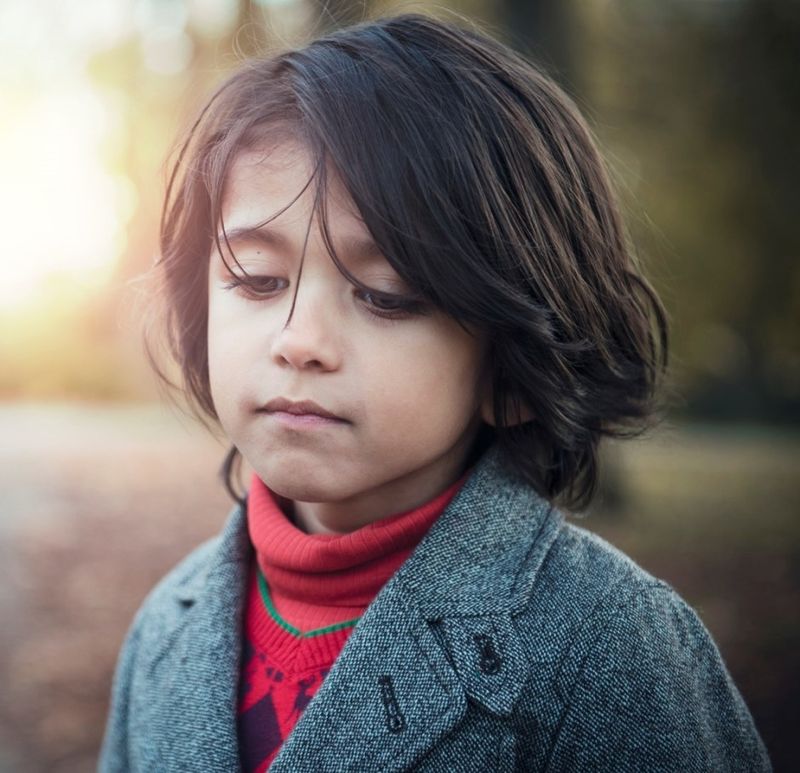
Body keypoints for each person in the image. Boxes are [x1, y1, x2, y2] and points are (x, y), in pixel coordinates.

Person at [98, 12, 771, 772]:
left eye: (385, 294)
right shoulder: (165, 630)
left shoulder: (610, 647)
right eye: (257, 280)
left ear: (511, 366)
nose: (299, 340)